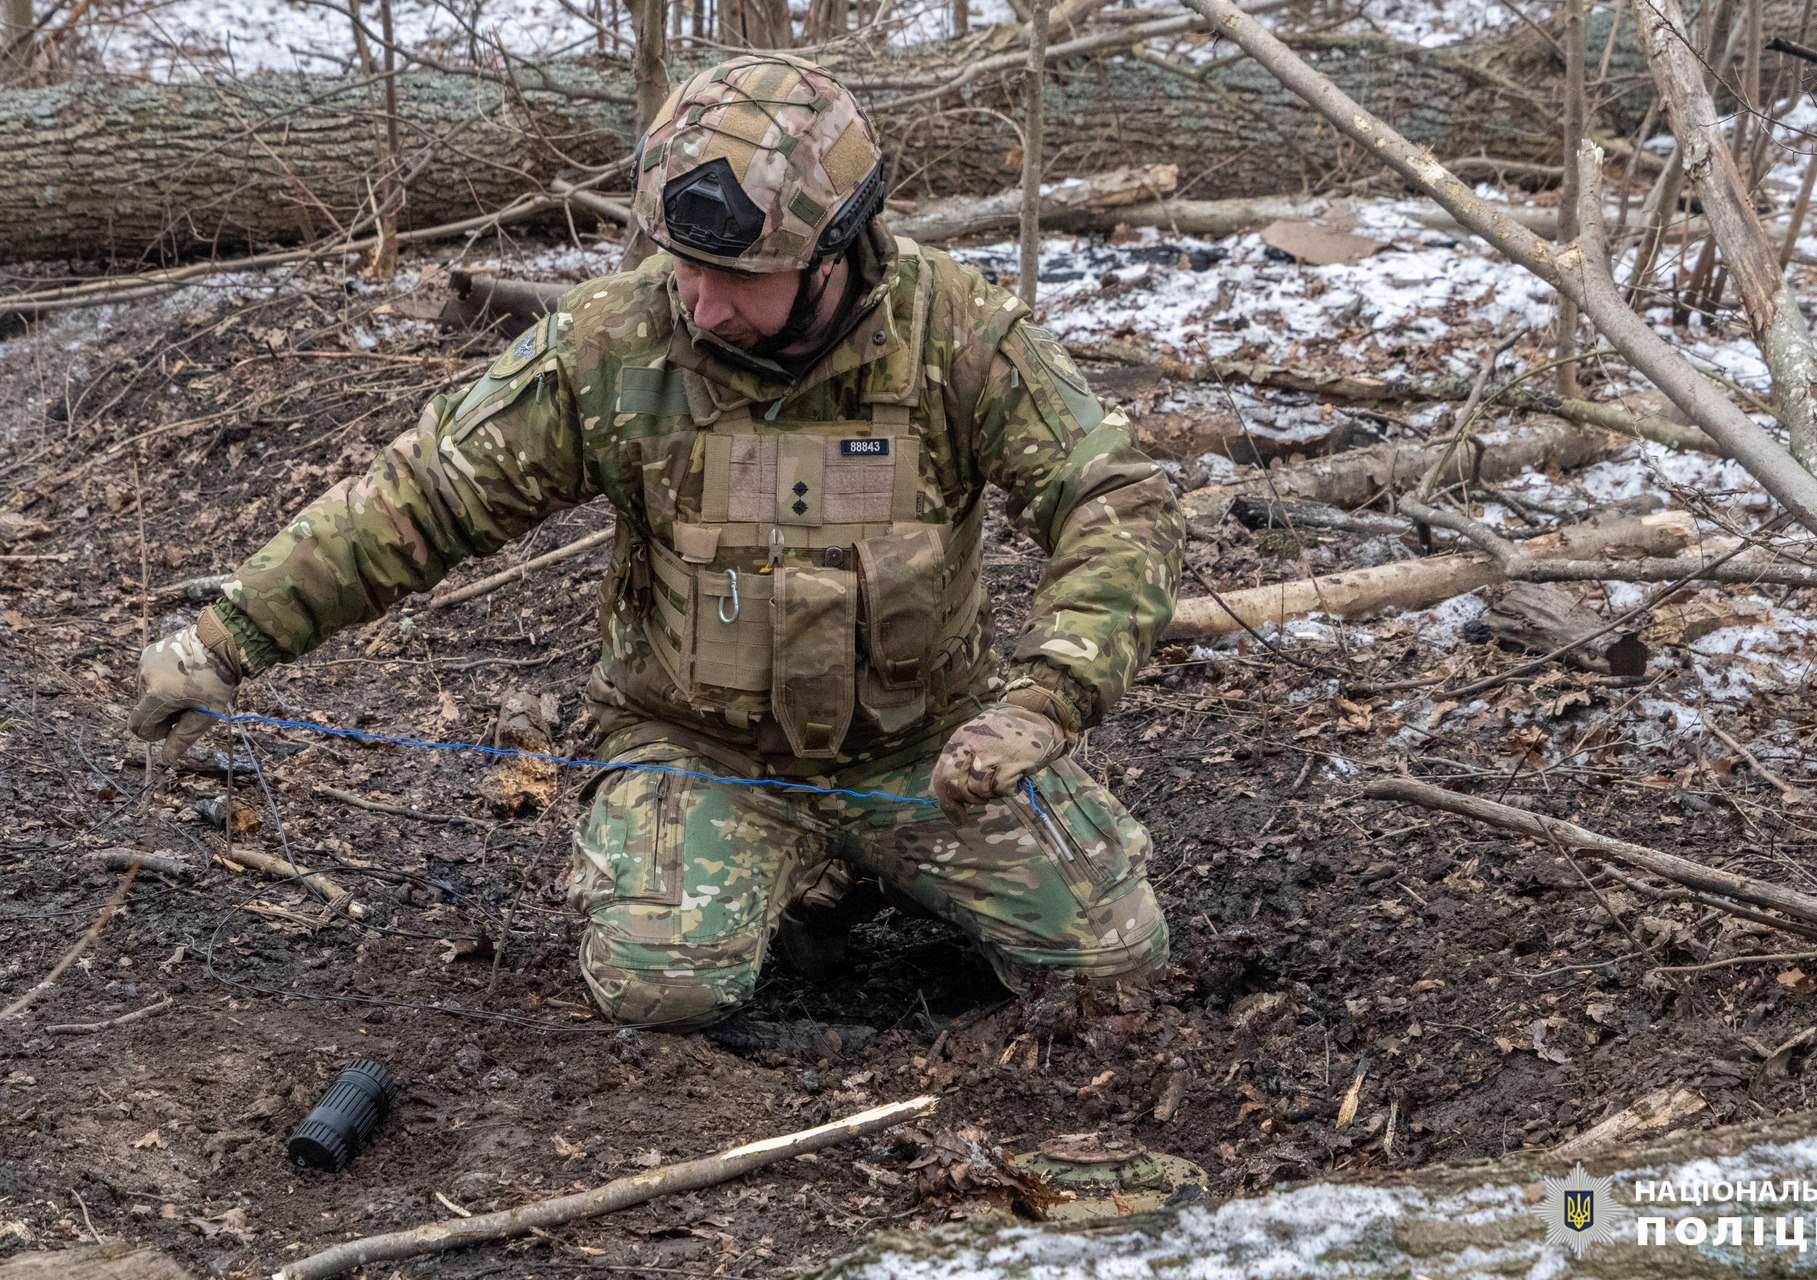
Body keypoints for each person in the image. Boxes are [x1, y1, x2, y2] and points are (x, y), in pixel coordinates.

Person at [128, 53, 1186, 1028]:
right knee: (664, 981)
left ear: (831, 252)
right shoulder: (613, 343)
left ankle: (855, 869)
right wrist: (225, 640)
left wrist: (1045, 698)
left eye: (739, 279)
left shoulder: (956, 331)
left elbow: (1116, 500)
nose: (703, 304)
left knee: (1115, 957)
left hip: (929, 749)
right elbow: (423, 495)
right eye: (684, 267)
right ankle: (787, 873)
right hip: (698, 749)